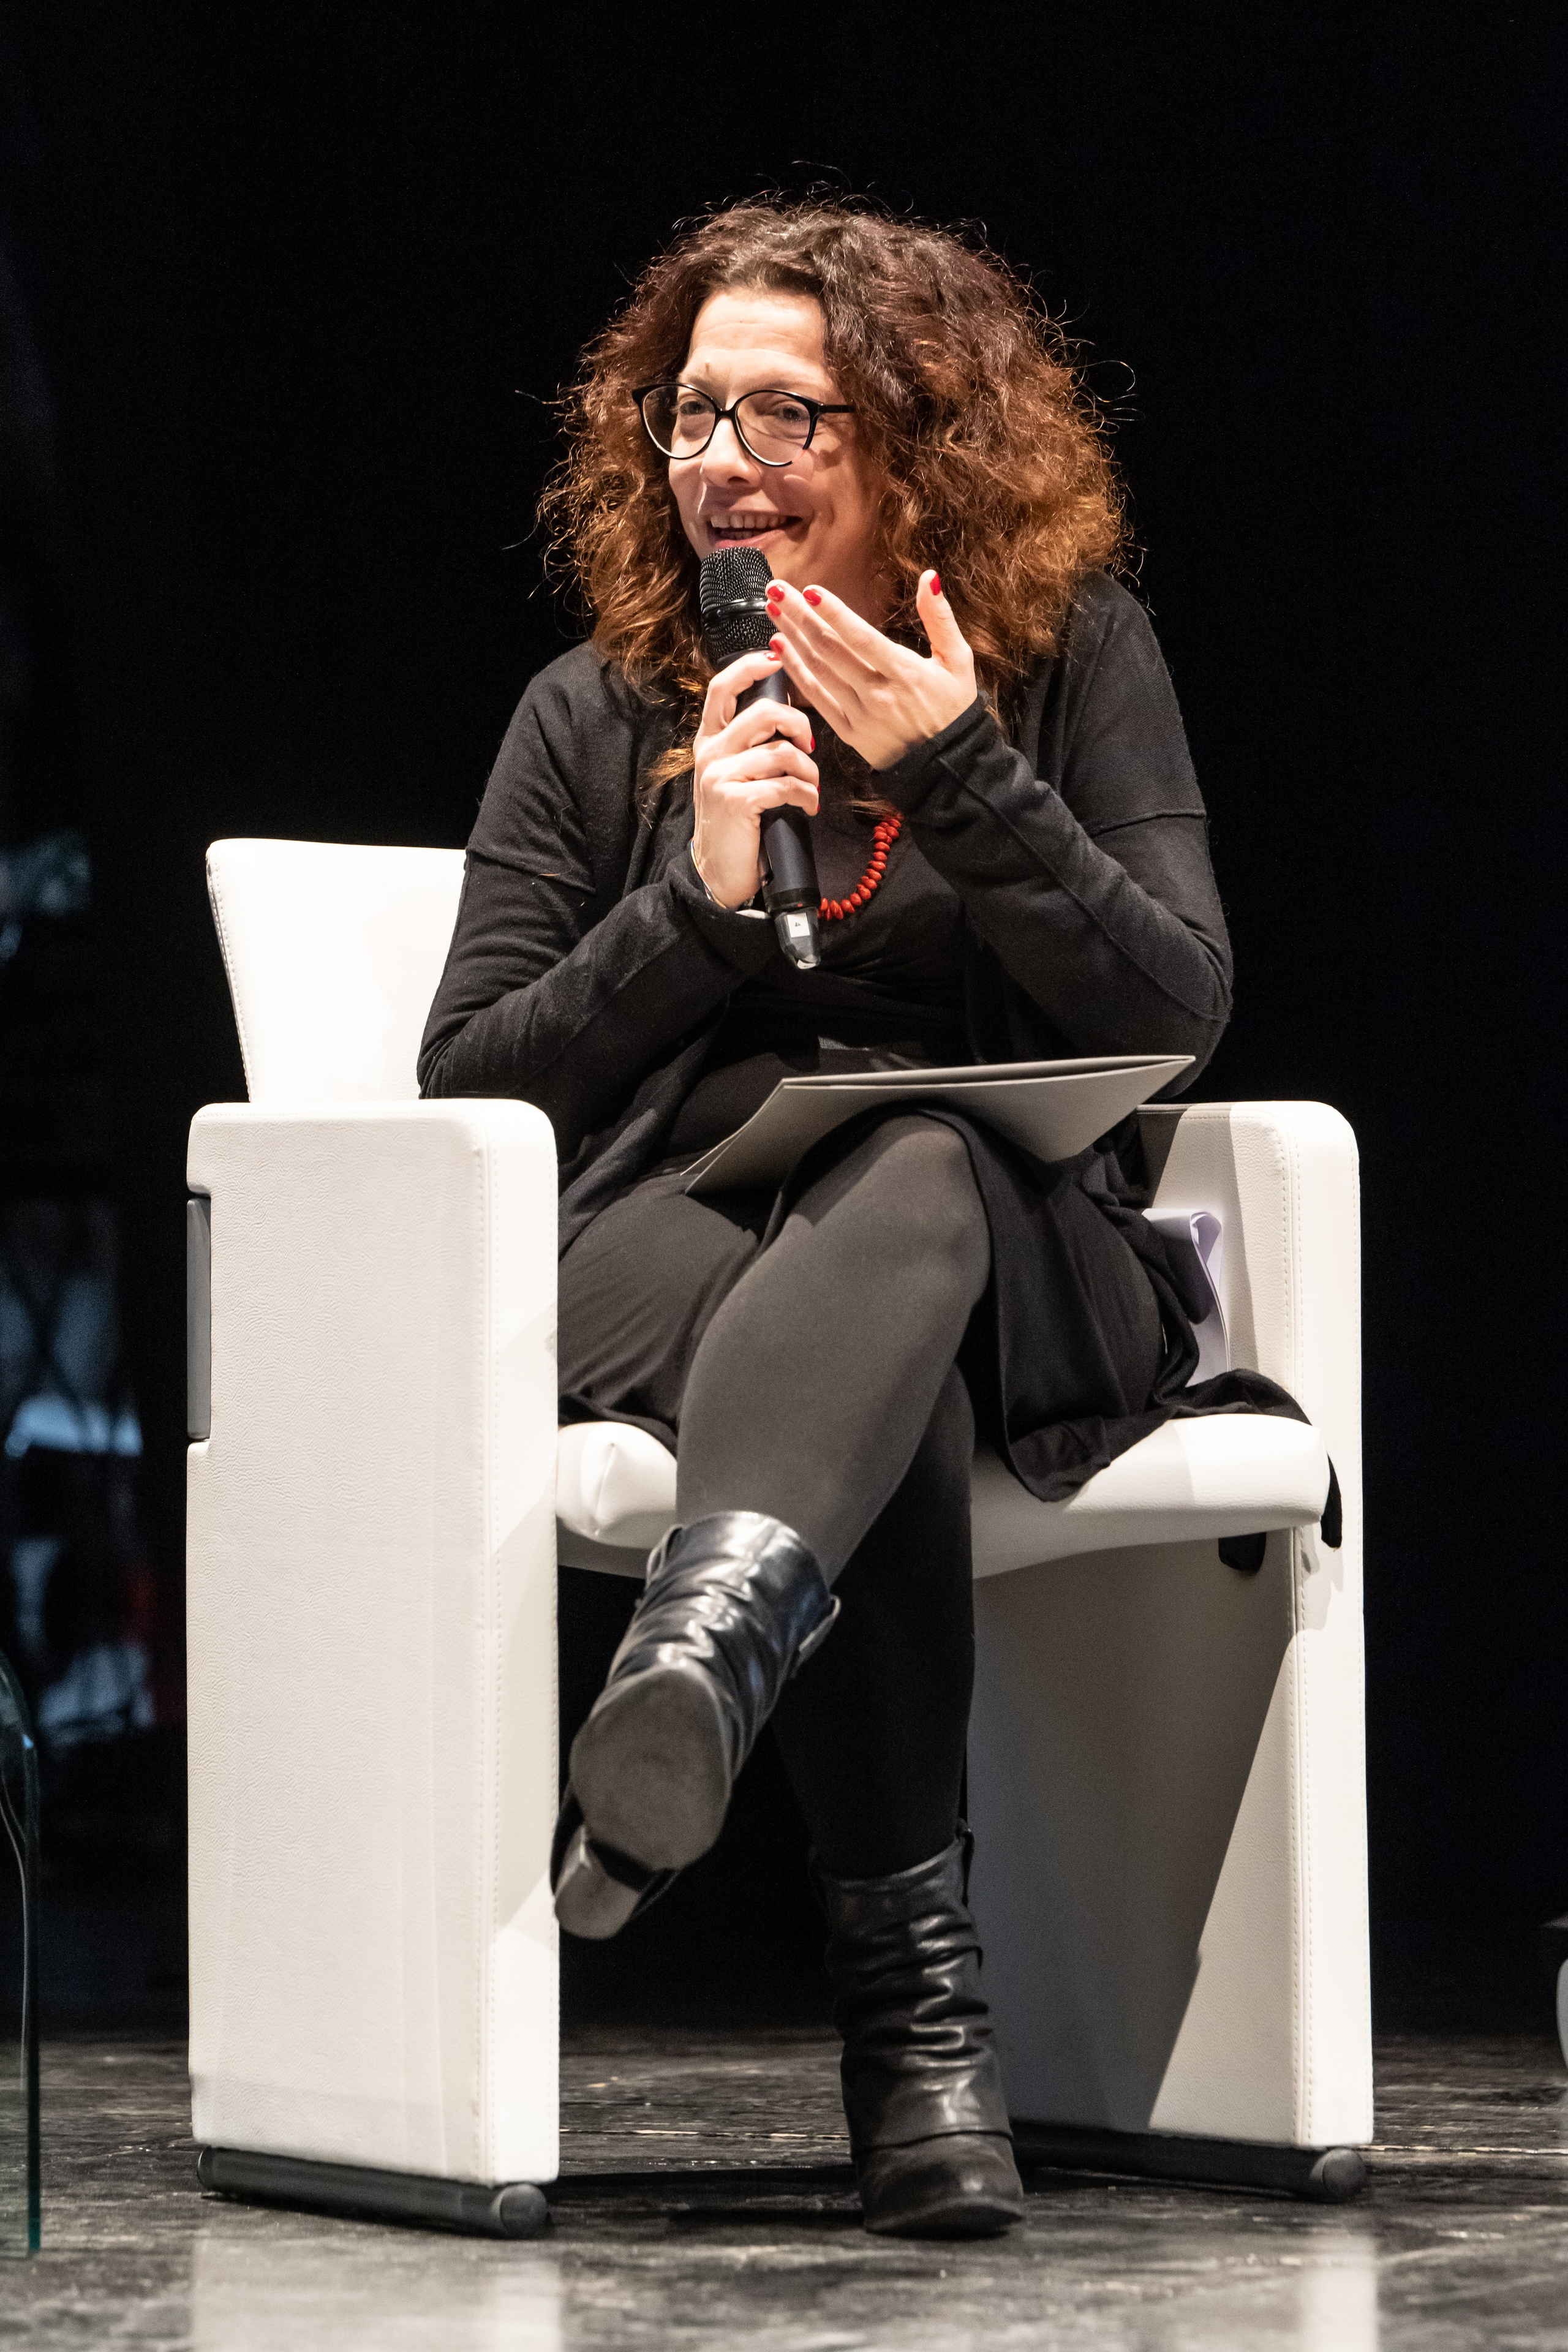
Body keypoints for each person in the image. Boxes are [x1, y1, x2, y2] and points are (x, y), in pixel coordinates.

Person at [420, 198, 1233, 2239]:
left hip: (1017, 1250)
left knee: (924, 1167)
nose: (725, 460)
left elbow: (1174, 1006)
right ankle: (915, 2045)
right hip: (673, 1238)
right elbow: (469, 1089)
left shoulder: (1068, 666)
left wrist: (960, 772)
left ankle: (703, 1649)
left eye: (787, 417)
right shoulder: (598, 711)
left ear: (916, 444)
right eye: (694, 413)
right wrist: (686, 906)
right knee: (870, 1404)